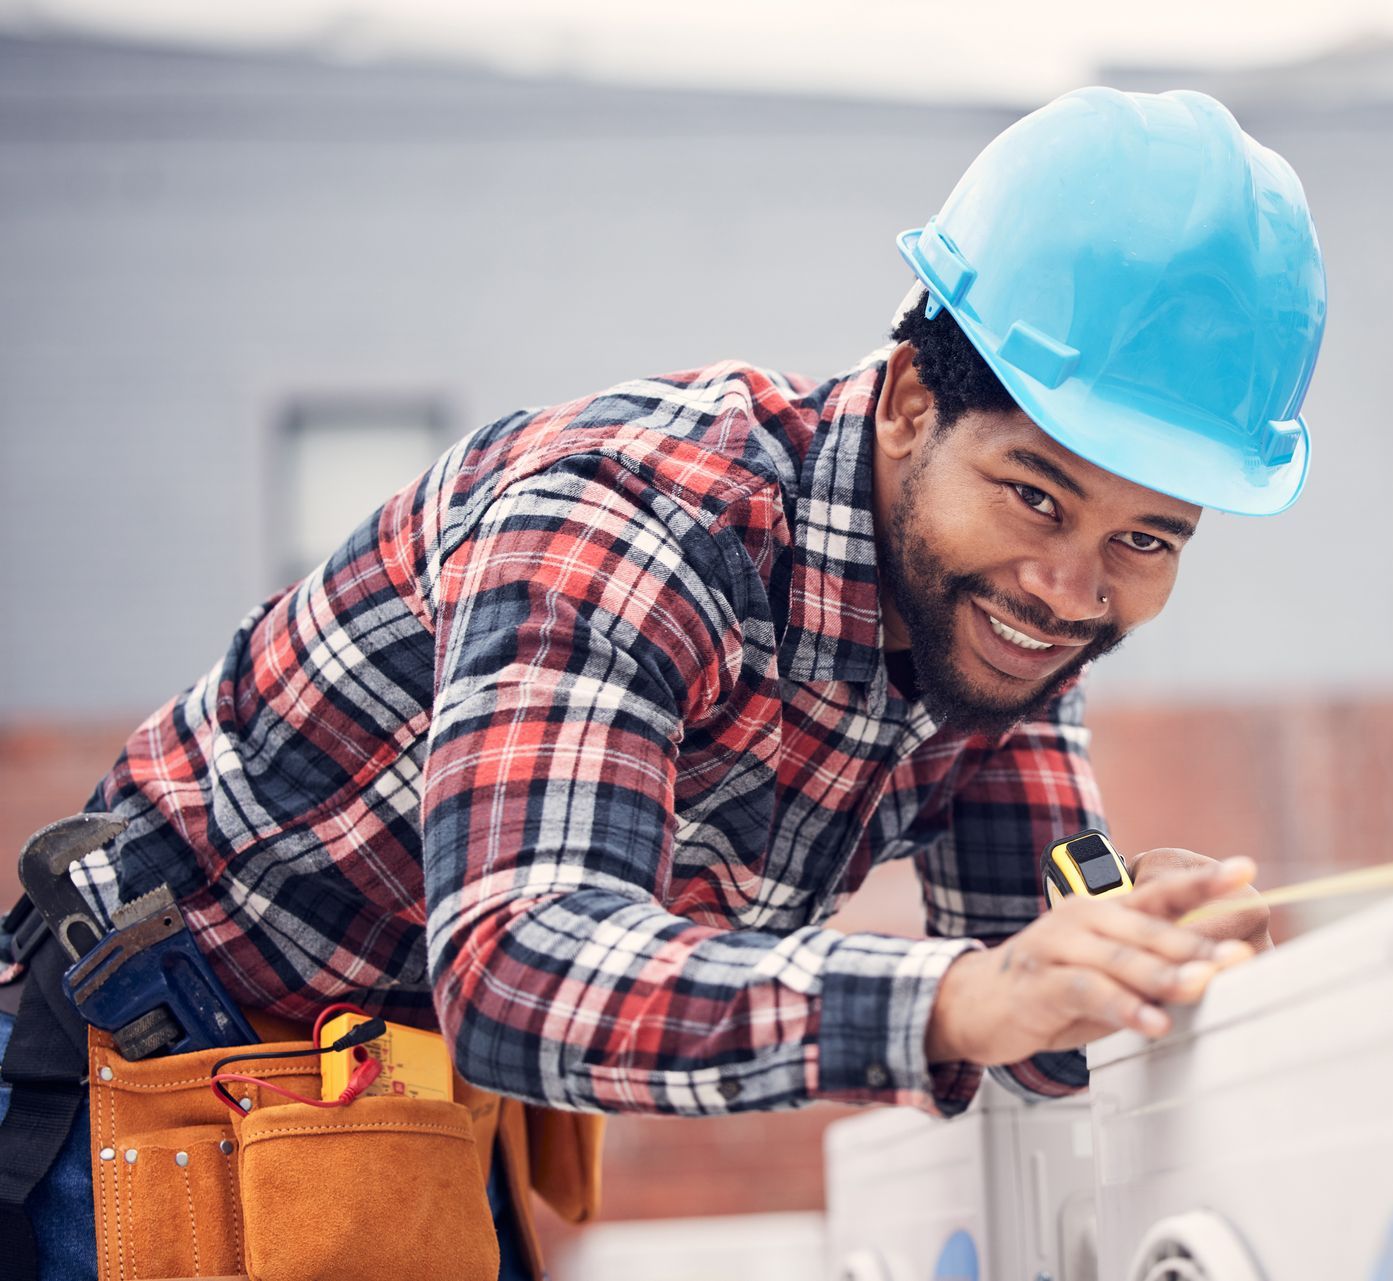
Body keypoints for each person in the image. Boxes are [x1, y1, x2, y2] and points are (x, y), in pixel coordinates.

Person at [0, 85, 1325, 1279]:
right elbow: (521, 967)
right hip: (163, 1075)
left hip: (401, 1102)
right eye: (1036, 494)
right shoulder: (639, 522)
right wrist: (962, 996)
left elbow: (1029, 1010)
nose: (1071, 587)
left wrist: (1127, 956)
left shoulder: (1011, 629)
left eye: (1146, 540)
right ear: (913, 404)